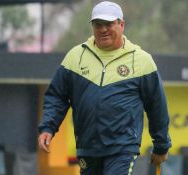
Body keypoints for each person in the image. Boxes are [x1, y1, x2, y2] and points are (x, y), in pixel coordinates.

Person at [38, 1, 171, 175]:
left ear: (121, 25)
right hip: (87, 147)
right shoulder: (75, 57)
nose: (103, 29)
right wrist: (48, 127)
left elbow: (157, 106)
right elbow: (57, 97)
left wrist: (161, 146)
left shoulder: (142, 61)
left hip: (122, 147)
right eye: (98, 24)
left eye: (109, 24)